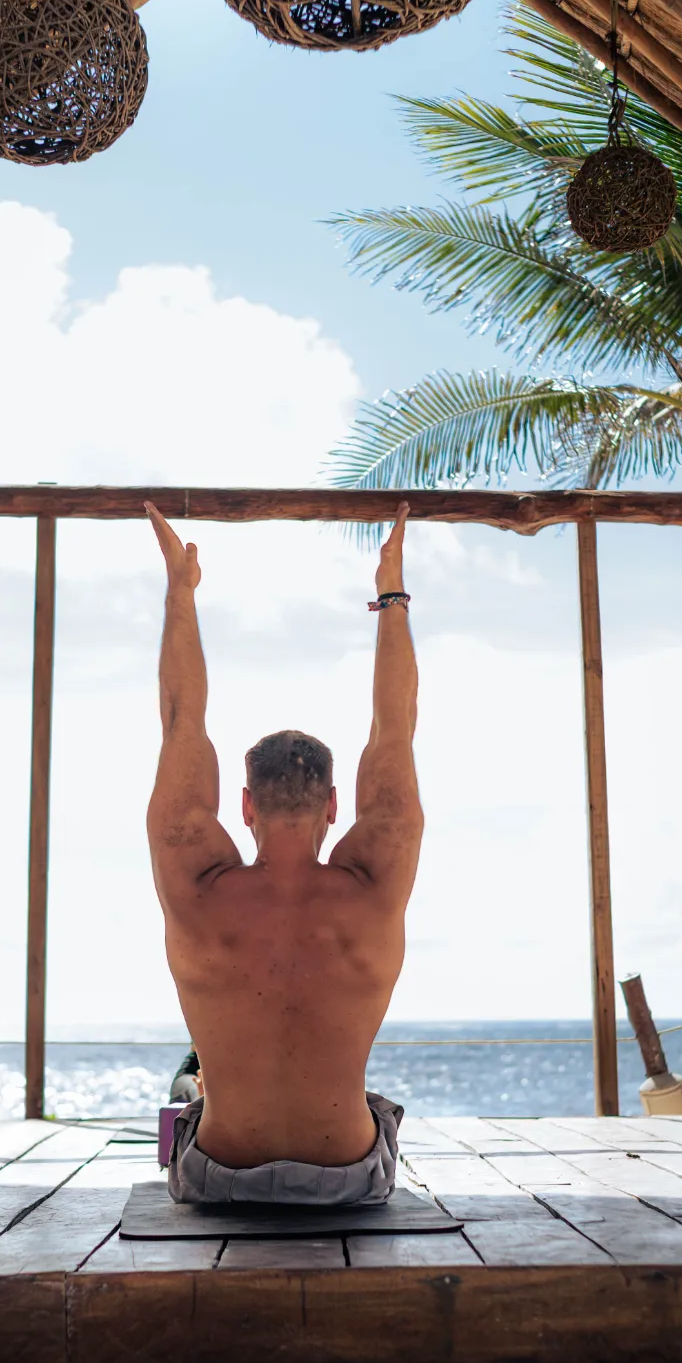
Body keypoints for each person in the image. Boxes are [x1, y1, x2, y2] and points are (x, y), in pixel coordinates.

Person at [145, 500, 423, 1205]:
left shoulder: (199, 885)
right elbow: (395, 730)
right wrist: (391, 591)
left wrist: (181, 588)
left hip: (219, 1176)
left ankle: (204, 1094)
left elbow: (182, 720)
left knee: (189, 1085)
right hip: (350, 1177)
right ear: (335, 806)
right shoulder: (372, 884)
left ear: (244, 807)